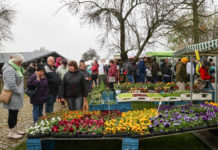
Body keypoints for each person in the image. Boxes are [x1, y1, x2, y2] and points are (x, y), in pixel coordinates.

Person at [2, 54, 25, 139]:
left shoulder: (15, 68)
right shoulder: (9, 69)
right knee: (12, 114)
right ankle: (11, 132)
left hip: (16, 96)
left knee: (15, 114)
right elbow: (11, 84)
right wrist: (19, 91)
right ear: (16, 61)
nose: (21, 63)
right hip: (12, 96)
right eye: (20, 62)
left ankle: (15, 130)